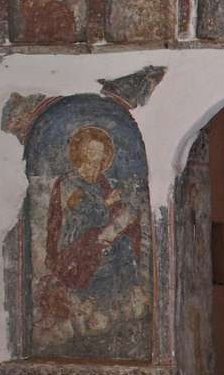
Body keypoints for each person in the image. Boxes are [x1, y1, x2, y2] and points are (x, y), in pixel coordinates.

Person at [37, 125, 145, 352]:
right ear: (82, 152)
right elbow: (77, 212)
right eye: (91, 150)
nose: (96, 155)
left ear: (105, 155)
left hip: (99, 233)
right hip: (75, 238)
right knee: (100, 244)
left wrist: (120, 208)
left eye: (100, 151)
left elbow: (112, 210)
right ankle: (89, 301)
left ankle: (122, 297)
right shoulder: (70, 181)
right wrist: (105, 204)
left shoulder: (102, 181)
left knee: (124, 241)